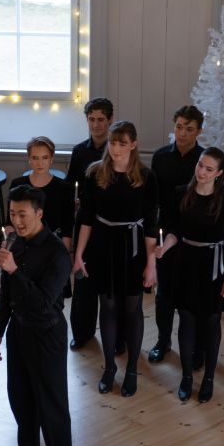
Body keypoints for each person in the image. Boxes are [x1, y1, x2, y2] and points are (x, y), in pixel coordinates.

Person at [0, 185, 73, 446]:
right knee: (20, 397)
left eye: (22, 214)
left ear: (39, 213)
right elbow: (6, 293)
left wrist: (14, 270)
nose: (17, 220)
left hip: (47, 334)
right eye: (12, 214)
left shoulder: (56, 252)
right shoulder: (16, 242)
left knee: (52, 404)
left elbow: (42, 302)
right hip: (19, 331)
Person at [72, 121, 158, 397]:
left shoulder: (146, 176)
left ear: (133, 144)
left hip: (133, 247)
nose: (116, 148)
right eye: (112, 142)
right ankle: (109, 366)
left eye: (122, 143)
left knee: (132, 309)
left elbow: (151, 224)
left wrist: (151, 263)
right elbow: (85, 218)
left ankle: (131, 368)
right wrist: (79, 255)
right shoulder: (95, 173)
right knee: (106, 306)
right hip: (102, 244)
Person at [154, 148, 224, 403]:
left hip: (213, 265)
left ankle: (209, 377)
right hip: (185, 262)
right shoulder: (182, 193)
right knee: (186, 321)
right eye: (200, 165)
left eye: (208, 169)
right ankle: (187, 376)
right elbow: (174, 231)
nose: (201, 171)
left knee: (211, 323)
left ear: (219, 173)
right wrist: (164, 247)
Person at [147, 105, 205, 365]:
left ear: (199, 131)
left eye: (189, 129)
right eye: (179, 127)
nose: (182, 133)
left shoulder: (204, 160)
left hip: (194, 236)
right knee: (164, 295)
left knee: (191, 297)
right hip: (166, 231)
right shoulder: (160, 157)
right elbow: (154, 200)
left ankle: (194, 347)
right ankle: (163, 341)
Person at [65, 97, 114, 350]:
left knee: (108, 282)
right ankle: (82, 332)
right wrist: (74, 201)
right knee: (82, 277)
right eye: (91, 119)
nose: (95, 125)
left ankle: (114, 336)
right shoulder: (79, 151)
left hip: (108, 223)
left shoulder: (115, 150)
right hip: (84, 218)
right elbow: (72, 183)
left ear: (109, 121)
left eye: (101, 120)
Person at [7, 137, 74, 252]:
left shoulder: (64, 188)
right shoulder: (17, 184)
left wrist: (64, 255)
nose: (40, 163)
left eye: (45, 157)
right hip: (23, 246)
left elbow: (67, 228)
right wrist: (9, 246)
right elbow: (9, 222)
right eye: (35, 158)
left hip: (52, 247)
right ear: (29, 159)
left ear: (51, 159)